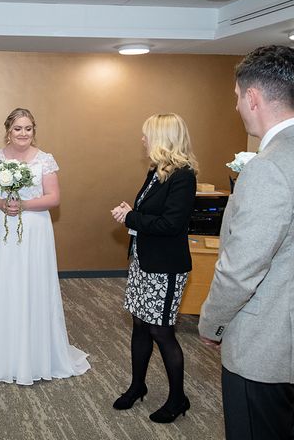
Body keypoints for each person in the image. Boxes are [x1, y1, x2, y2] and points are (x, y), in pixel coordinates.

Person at [198, 45, 294, 440]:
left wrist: (212, 323)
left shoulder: (268, 167)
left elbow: (241, 267)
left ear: (252, 97)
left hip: (262, 343)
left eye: (236, 98)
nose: (237, 108)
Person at [0, 107, 90, 385]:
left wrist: (23, 204)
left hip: (35, 229)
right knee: (3, 284)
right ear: (8, 131)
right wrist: (1, 203)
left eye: (28, 128)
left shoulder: (45, 160)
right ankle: (0, 354)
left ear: (33, 131)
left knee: (32, 284)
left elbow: (53, 197)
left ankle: (36, 354)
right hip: (1, 226)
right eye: (17, 129)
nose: (23, 134)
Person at [110, 113, 197, 424]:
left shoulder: (183, 176)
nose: (143, 139)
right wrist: (132, 213)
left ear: (162, 138)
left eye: (147, 134)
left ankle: (178, 399)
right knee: (140, 325)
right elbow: (150, 214)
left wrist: (131, 218)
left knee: (162, 331)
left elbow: (171, 224)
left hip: (166, 268)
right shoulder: (156, 171)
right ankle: (138, 386)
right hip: (144, 262)